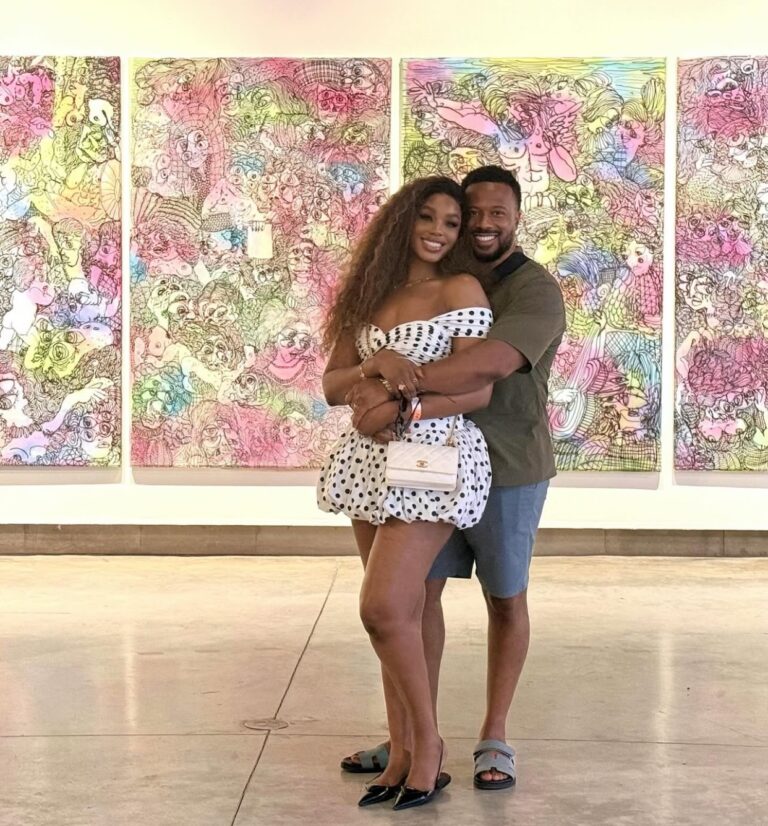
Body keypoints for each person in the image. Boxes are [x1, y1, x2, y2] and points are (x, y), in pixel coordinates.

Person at [343, 165, 566, 791]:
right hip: (428, 465)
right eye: (472, 213)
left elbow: (487, 364)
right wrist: (379, 371)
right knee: (415, 599)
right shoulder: (436, 277)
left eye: (498, 213)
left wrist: (391, 386)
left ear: (517, 219)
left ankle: (494, 736)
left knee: (505, 598)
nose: (482, 224)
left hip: (509, 466)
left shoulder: (534, 290)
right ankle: (414, 740)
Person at [318, 175, 496, 810]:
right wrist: (375, 365)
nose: (439, 231)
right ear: (402, 222)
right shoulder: (369, 293)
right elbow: (332, 384)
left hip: (430, 453)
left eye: (451, 222)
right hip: (367, 461)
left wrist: (403, 404)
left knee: (383, 609)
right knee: (405, 613)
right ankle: (399, 753)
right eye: (427, 217)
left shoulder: (460, 289)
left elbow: (479, 389)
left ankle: (429, 746)